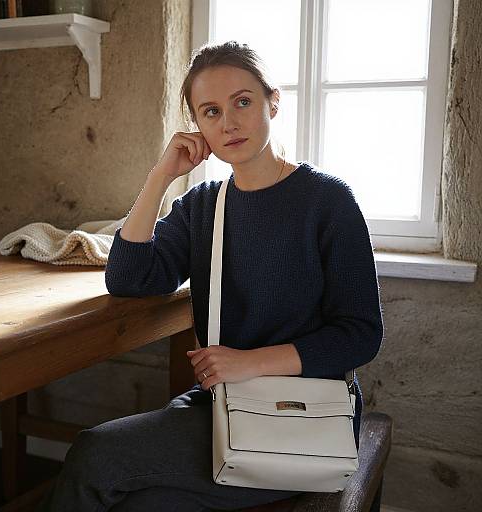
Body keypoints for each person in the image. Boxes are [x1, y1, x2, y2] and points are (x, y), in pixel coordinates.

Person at [35, 40, 384, 511]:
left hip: (300, 422)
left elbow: (360, 335)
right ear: (197, 125)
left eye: (243, 102)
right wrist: (161, 176)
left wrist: (248, 361)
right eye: (211, 111)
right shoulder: (204, 206)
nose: (229, 123)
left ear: (272, 102)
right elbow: (130, 278)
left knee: (95, 453)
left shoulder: (328, 202)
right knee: (137, 503)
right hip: (224, 406)